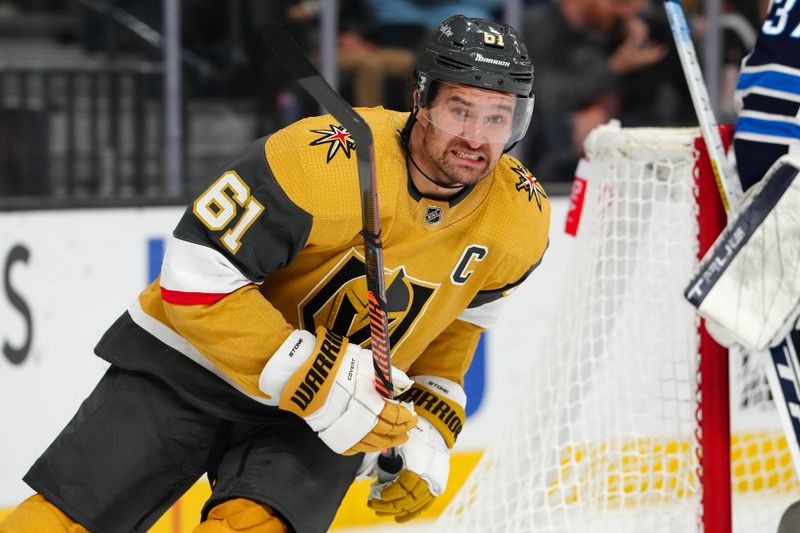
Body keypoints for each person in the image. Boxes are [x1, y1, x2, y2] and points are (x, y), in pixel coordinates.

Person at [0, 14, 549, 533]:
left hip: (322, 413)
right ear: (421, 101)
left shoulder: (519, 216)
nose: (476, 138)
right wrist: (310, 375)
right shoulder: (322, 161)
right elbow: (194, 275)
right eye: (460, 110)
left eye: (497, 117)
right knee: (55, 524)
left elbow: (463, 319)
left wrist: (427, 418)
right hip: (192, 367)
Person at [522, 0, 672, 182]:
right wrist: (614, 68)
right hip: (545, 163)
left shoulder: (605, 31)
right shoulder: (537, 27)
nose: (625, 14)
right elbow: (546, 97)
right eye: (618, 3)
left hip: (606, 159)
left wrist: (635, 41)